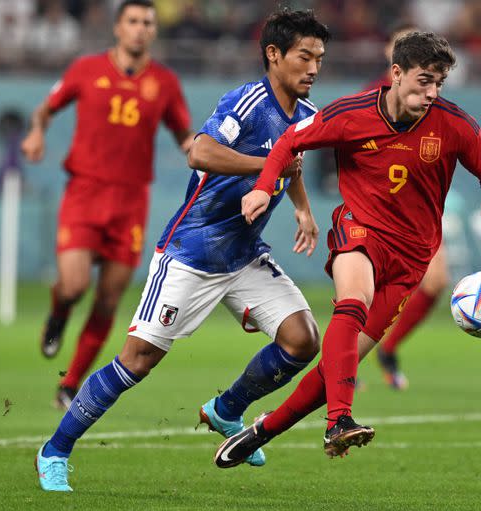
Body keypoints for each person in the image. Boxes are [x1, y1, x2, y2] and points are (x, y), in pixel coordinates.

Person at [34, 9, 329, 492]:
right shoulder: (248, 102)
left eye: (320, 58)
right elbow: (199, 151)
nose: (314, 68)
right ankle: (55, 450)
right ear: (274, 55)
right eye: (305, 56)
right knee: (137, 361)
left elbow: (291, 165)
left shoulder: (309, 115)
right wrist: (265, 166)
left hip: (244, 254)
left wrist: (302, 210)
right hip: (191, 252)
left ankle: (226, 410)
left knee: (302, 339)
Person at [216, 31, 481, 467]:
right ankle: (340, 421)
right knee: (351, 304)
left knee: (339, 363)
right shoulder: (352, 114)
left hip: (412, 258)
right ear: (396, 74)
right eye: (423, 80)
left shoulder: (456, 125)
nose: (431, 93)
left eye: (439, 84)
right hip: (361, 229)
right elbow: (289, 141)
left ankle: (265, 430)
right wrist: (263, 188)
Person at [21, 0, 194, 410]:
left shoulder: (165, 83)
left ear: (154, 31)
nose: (139, 29)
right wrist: (35, 133)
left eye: (147, 23)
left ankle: (70, 383)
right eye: (132, 21)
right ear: (118, 28)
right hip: (85, 193)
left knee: (108, 300)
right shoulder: (86, 69)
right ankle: (59, 311)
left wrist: (206, 153)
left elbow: (183, 134)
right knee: (76, 284)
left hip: (130, 201)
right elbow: (46, 108)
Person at [366, 23, 451, 391]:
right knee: (364, 293)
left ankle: (389, 348)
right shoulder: (371, 97)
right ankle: (340, 365)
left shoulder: (433, 101)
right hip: (376, 213)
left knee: (437, 281)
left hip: (420, 212)